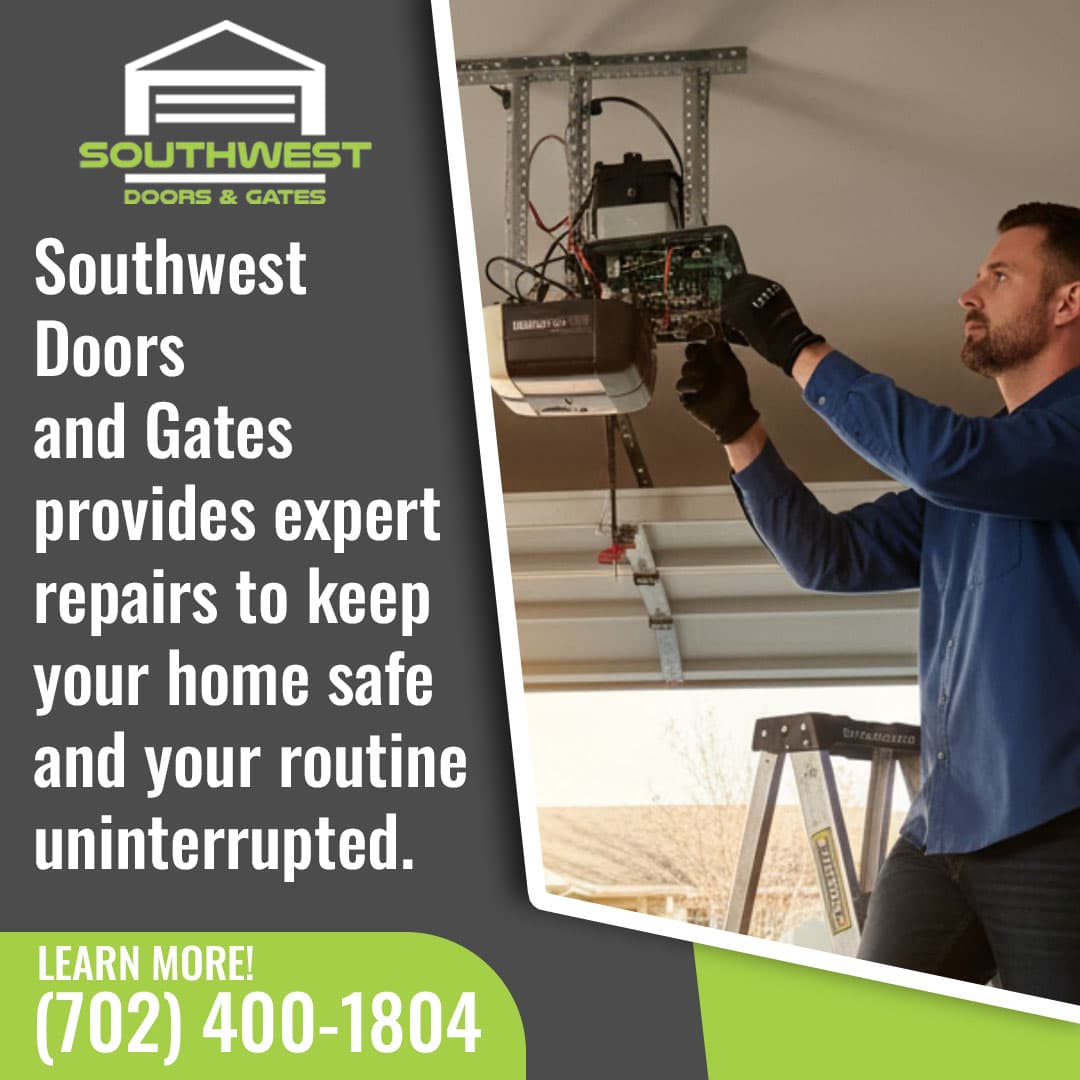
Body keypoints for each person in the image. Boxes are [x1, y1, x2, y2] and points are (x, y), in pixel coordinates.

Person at [676, 202, 1080, 1004]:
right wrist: (740, 430)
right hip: (943, 832)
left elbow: (953, 459)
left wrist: (797, 347)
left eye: (1000, 276)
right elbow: (827, 557)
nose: (969, 294)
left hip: (1056, 827)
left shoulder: (1027, 451)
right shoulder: (970, 479)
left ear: (1069, 302)